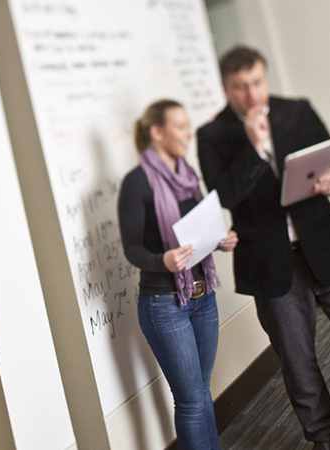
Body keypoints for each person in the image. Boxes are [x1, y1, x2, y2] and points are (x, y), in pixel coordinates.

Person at [197, 46, 330, 450]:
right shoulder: (213, 134)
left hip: (328, 247)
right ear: (226, 88)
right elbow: (225, 195)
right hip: (271, 262)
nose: (252, 95)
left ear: (265, 78)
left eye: (257, 83)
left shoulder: (297, 110)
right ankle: (324, 438)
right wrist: (255, 149)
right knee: (297, 360)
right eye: (240, 88)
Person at [118, 99, 238, 450]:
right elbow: (132, 249)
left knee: (201, 393)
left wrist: (219, 239)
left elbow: (196, 232)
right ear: (157, 132)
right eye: (181, 126)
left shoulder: (188, 175)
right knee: (190, 400)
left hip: (204, 300)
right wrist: (163, 261)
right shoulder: (137, 183)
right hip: (165, 305)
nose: (189, 133)